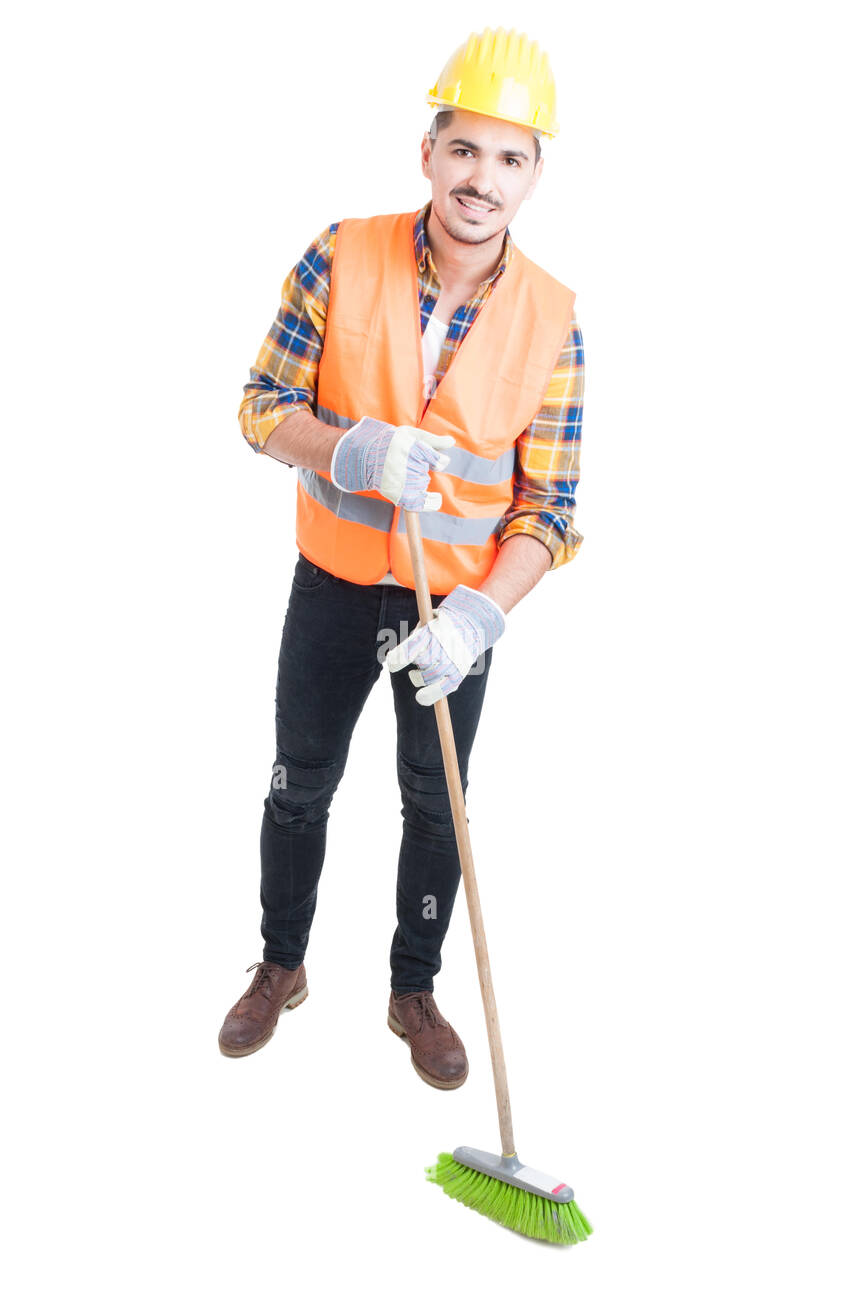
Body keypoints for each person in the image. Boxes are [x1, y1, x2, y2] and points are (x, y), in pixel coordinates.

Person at [218, 27, 585, 1089]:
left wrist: (479, 620)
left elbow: (549, 508)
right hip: (333, 582)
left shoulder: (553, 321)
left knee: (439, 804)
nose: (481, 178)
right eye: (464, 150)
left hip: (452, 607)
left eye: (508, 157)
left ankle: (411, 988)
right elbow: (257, 408)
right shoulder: (341, 251)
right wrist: (348, 448)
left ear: (533, 174)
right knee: (299, 783)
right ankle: (279, 964)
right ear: (427, 152)